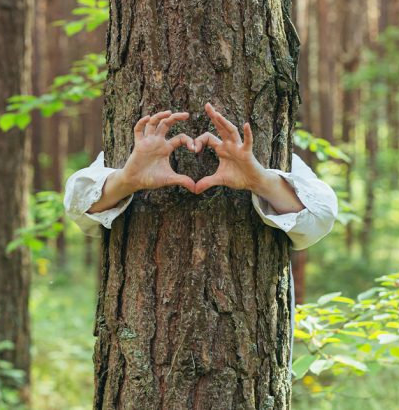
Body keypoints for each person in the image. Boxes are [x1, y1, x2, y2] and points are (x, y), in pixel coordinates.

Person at [63, 102, 338, 372]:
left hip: (253, 357)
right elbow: (77, 203)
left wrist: (259, 180)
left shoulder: (283, 157)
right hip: (138, 359)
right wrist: (127, 180)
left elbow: (321, 216)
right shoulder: (122, 150)